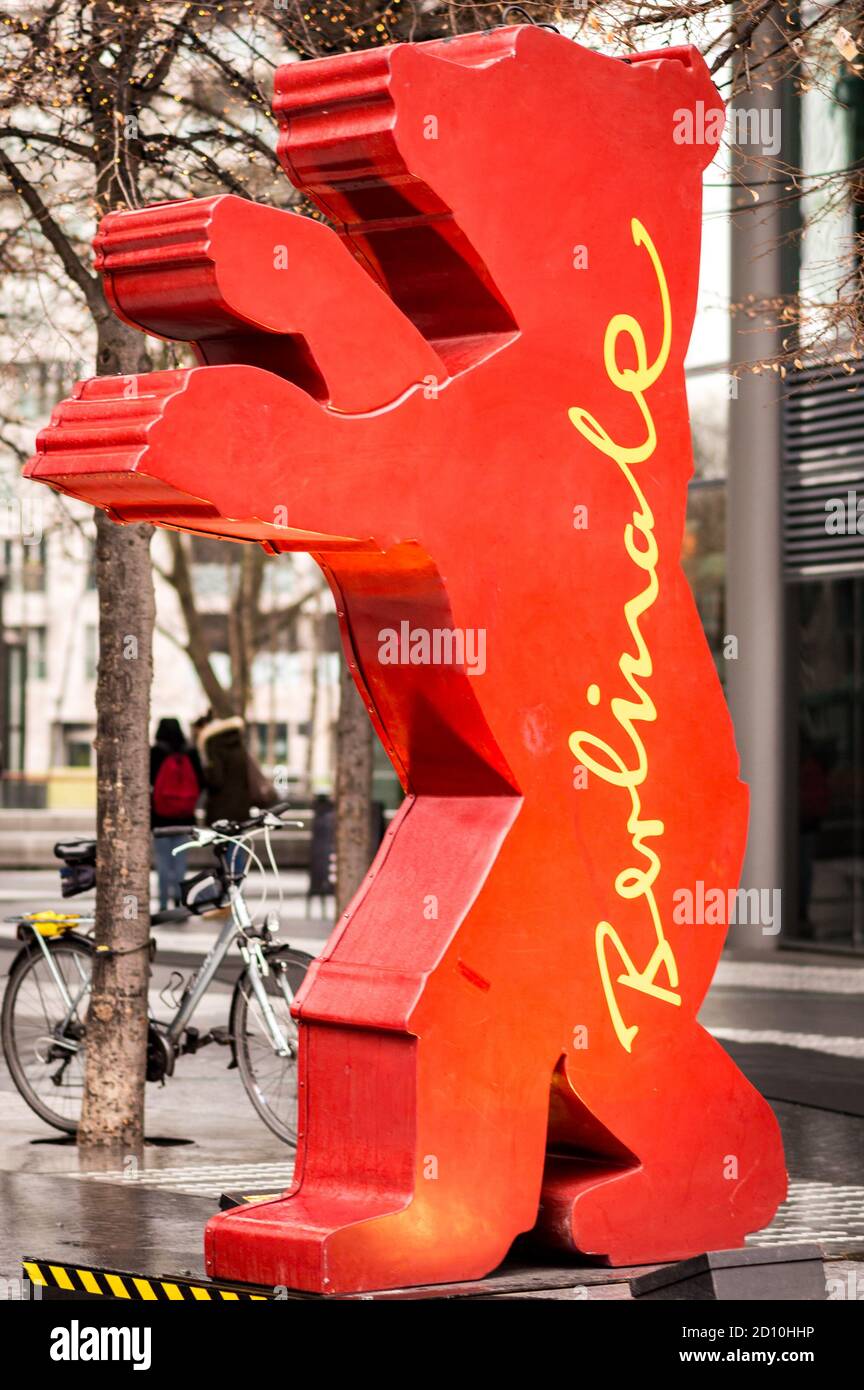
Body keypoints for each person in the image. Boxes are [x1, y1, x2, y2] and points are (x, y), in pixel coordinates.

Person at [150, 717, 203, 911]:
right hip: (184, 818)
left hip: (160, 819)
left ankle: (163, 904)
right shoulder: (190, 753)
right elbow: (201, 782)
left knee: (163, 863)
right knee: (180, 863)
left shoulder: (155, 753)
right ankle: (180, 902)